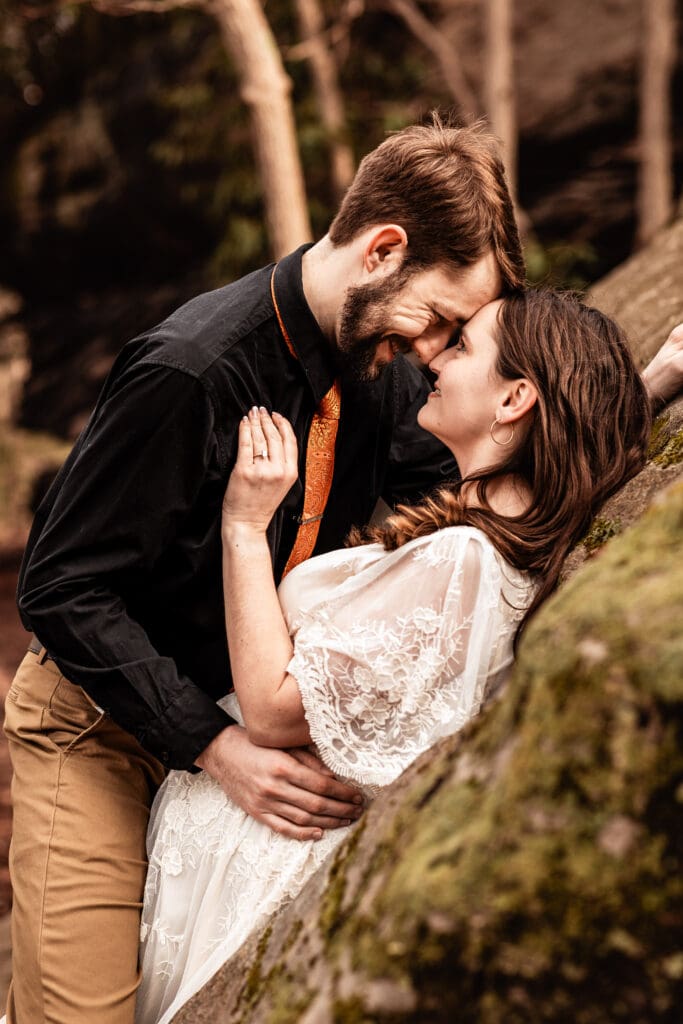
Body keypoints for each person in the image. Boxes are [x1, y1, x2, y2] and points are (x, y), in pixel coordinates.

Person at [4, 116, 524, 1024]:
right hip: (97, 728)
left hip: (251, 711)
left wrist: (637, 393)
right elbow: (58, 584)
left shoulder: (384, 362)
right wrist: (210, 744)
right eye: (437, 316)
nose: (436, 346)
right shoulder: (191, 371)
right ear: (382, 250)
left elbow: (476, 476)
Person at [134, 288, 652, 1022]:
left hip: (257, 857)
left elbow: (277, 712)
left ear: (514, 400)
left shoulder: (464, 561)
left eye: (463, 346)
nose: (436, 358)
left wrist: (244, 527)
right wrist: (648, 387)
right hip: (238, 842)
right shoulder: (486, 531)